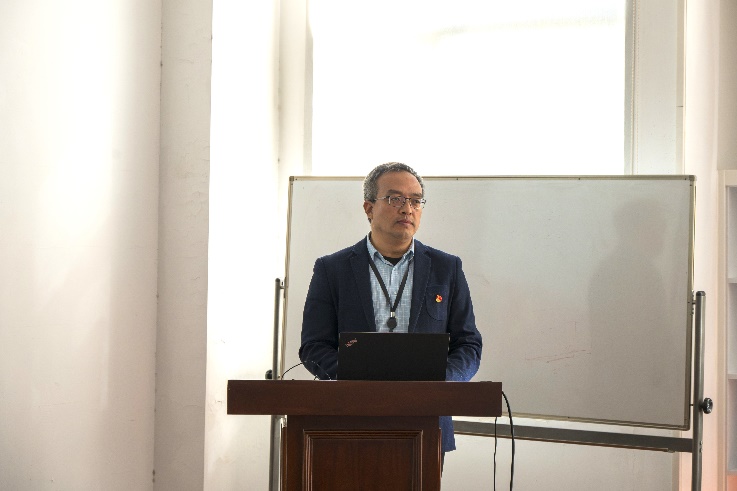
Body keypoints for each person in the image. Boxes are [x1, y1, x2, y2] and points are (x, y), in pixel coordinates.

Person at [298, 162, 483, 458]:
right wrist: (361, 385)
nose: (407, 209)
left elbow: (469, 343)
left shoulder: (446, 268)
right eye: (395, 199)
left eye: (416, 200)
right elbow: (314, 346)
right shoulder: (332, 269)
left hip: (427, 423)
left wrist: (442, 385)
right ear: (369, 208)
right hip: (350, 423)